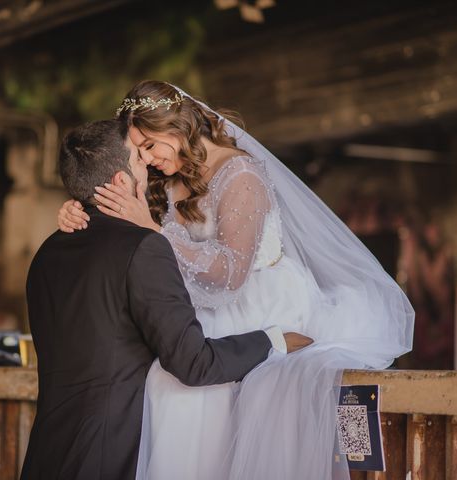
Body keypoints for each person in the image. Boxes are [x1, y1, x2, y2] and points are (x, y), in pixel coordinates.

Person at [58, 81, 415, 479]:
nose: (145, 159)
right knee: (169, 387)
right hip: (201, 310)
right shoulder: (170, 178)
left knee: (190, 395)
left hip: (257, 305)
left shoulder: (240, 173)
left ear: (176, 128)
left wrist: (157, 234)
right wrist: (80, 210)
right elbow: (120, 204)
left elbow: (231, 274)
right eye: (138, 151)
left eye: (148, 145)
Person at [20, 119, 312, 480]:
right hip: (106, 455)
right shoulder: (143, 248)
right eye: (138, 160)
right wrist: (273, 341)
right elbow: (193, 363)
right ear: (121, 182)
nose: (147, 162)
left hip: (46, 453)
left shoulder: (47, 252)